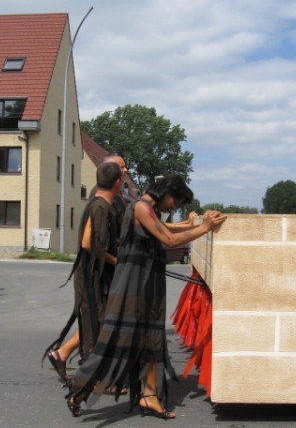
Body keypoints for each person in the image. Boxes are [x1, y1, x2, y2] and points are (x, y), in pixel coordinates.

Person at [66, 176, 227, 419]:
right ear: (168, 192)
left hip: (147, 283)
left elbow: (168, 229)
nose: (174, 207)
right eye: (177, 201)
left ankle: (150, 397)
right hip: (132, 285)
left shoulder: (148, 209)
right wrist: (203, 227)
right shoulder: (140, 207)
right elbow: (169, 239)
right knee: (117, 340)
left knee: (152, 339)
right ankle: (79, 390)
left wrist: (193, 224)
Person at [43, 162, 123, 388]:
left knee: (101, 321)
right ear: (118, 183)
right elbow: (88, 243)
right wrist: (118, 262)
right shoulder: (100, 207)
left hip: (96, 274)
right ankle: (89, 381)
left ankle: (63, 356)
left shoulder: (102, 205)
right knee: (97, 324)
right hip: (90, 275)